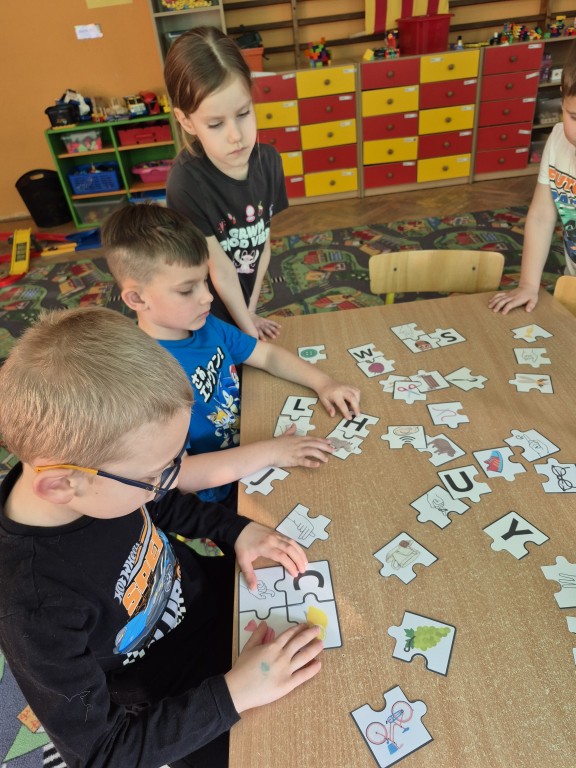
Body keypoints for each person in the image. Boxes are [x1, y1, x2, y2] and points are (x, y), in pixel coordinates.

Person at [0, 306, 324, 768]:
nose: (170, 480)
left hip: (210, 599)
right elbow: (102, 754)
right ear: (60, 486)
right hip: (172, 694)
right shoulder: (33, 605)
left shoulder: (90, 480)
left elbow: (157, 502)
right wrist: (235, 693)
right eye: (158, 472)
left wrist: (236, 529)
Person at [101, 203, 361, 504]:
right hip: (223, 491)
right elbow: (180, 476)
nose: (207, 297)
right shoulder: (146, 376)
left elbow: (267, 356)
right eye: (187, 290)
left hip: (254, 438)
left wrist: (324, 382)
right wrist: (271, 451)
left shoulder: (207, 325)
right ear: (137, 298)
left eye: (205, 281)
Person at [164, 25, 286, 341]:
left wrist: (249, 313)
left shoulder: (269, 162)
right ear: (186, 120)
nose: (236, 136)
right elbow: (219, 269)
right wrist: (246, 331)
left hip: (241, 304)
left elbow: (263, 245)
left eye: (243, 114)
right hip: (202, 317)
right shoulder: (185, 183)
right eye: (216, 124)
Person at [489, 41, 576, 315]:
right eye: (574, 116)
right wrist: (528, 284)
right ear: (562, 96)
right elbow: (541, 216)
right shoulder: (557, 140)